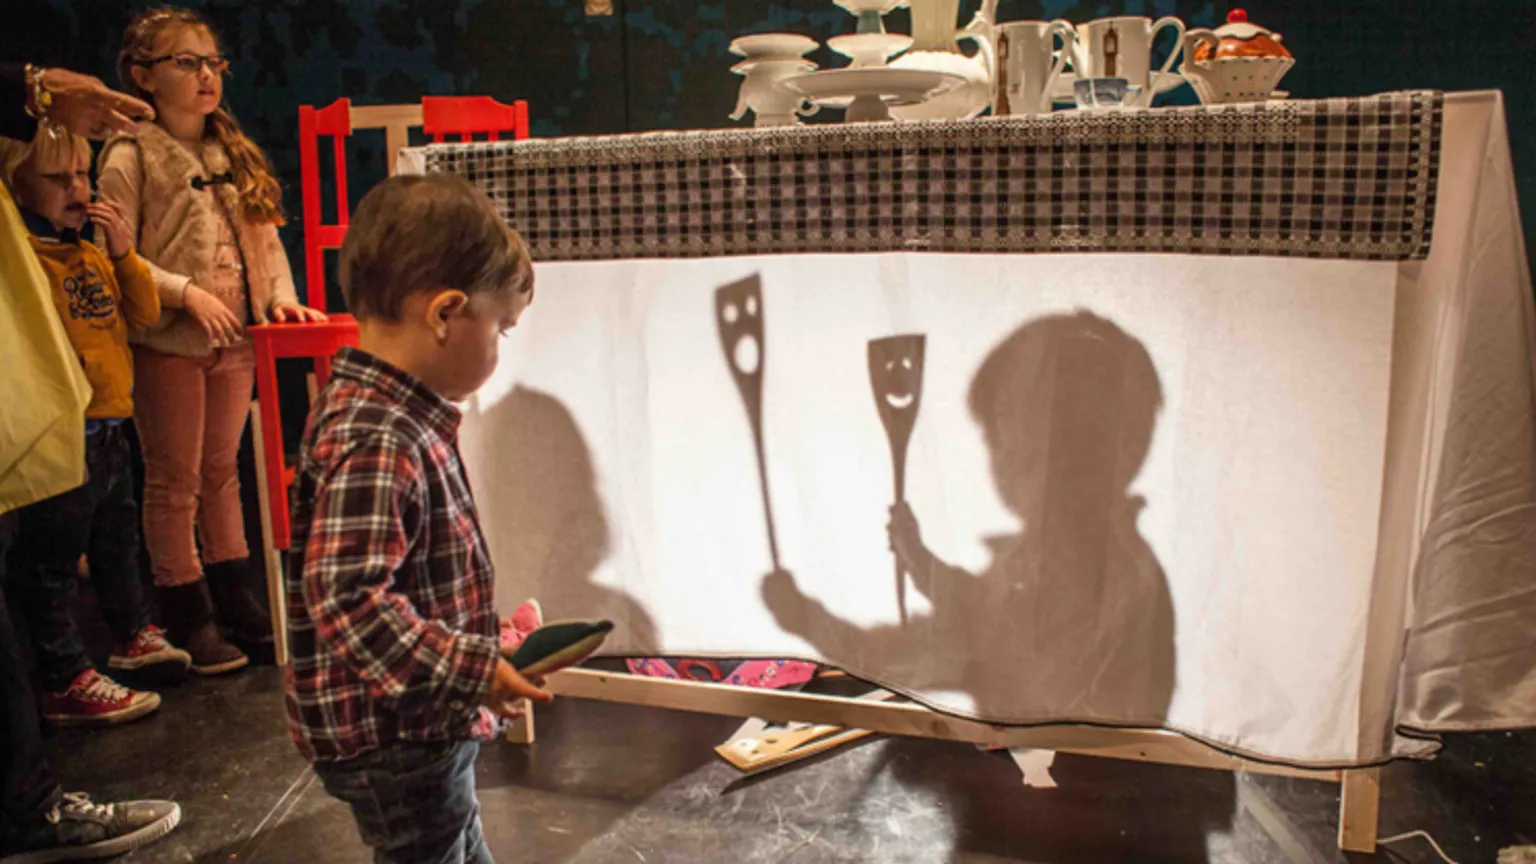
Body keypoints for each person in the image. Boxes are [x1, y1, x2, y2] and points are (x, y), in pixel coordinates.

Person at [285, 174, 550, 863]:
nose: (500, 346)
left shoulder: (386, 411)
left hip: (418, 724)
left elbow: (403, 572)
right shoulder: (380, 433)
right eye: (500, 327)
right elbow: (348, 597)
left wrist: (475, 635)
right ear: (446, 313)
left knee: (457, 836)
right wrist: (471, 666)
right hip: (393, 739)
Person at [96, 7, 326, 674]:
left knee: (222, 471)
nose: (205, 75)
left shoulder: (231, 152)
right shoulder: (131, 154)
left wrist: (278, 298)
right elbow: (116, 254)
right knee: (175, 478)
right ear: (144, 76)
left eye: (212, 63)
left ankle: (235, 596)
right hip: (168, 341)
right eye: (186, 62)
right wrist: (184, 293)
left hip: (235, 341)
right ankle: (185, 608)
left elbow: (264, 239)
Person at [1, 60, 180, 864]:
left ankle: (132, 634)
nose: (79, 190)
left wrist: (125, 253)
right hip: (63, 431)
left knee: (113, 539)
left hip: (105, 427)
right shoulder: (32, 259)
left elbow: (137, 312)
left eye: (84, 175)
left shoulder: (90, 253)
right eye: (60, 177)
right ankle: (65, 684)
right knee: (48, 569)